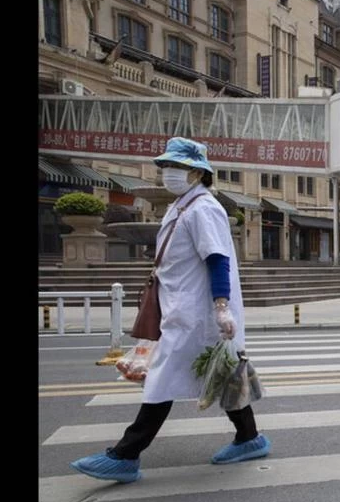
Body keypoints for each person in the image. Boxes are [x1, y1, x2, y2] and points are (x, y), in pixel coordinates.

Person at [70, 137, 271, 483]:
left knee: (162, 379)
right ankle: (250, 438)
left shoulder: (203, 208)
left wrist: (222, 307)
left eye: (175, 168)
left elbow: (218, 259)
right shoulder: (182, 206)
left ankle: (126, 454)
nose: (167, 173)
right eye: (165, 167)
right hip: (182, 307)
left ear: (196, 173)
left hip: (198, 313)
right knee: (221, 373)